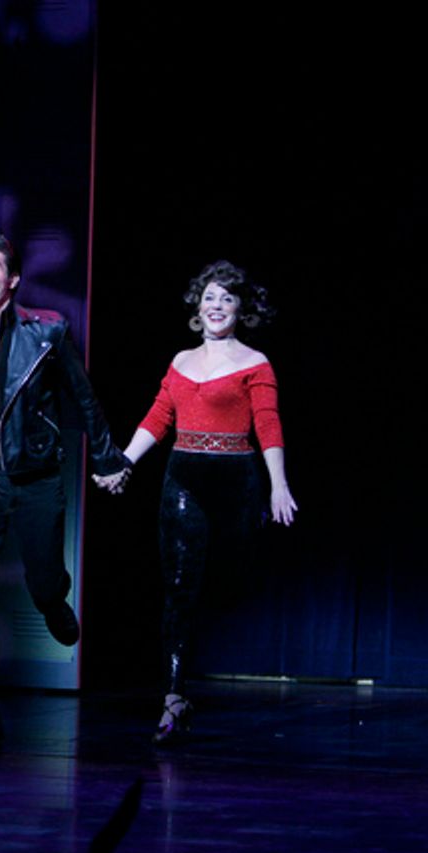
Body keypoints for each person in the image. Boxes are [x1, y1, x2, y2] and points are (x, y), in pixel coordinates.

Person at [0, 229, 129, 740]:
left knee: (43, 576)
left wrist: (107, 459)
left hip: (37, 475)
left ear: (12, 280)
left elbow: (83, 398)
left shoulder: (48, 332)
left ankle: (52, 599)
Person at [99, 259, 297, 744]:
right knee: (180, 589)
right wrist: (124, 461)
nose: (216, 306)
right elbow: (159, 416)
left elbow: (268, 424)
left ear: (240, 309)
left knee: (228, 585)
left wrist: (279, 484)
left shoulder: (255, 363)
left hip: (236, 481)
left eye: (227, 298)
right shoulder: (181, 363)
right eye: (209, 297)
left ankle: (191, 680)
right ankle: (173, 697)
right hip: (184, 476)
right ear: (197, 305)